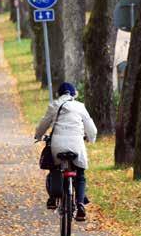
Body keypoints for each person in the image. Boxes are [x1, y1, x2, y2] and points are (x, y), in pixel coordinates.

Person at [34, 82, 97, 221]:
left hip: (58, 144)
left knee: (54, 168)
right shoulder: (80, 106)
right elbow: (90, 126)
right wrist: (91, 138)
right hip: (76, 144)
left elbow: (44, 123)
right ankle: (80, 203)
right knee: (80, 174)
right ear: (74, 94)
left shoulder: (54, 106)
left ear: (59, 94)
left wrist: (38, 136)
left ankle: (52, 197)